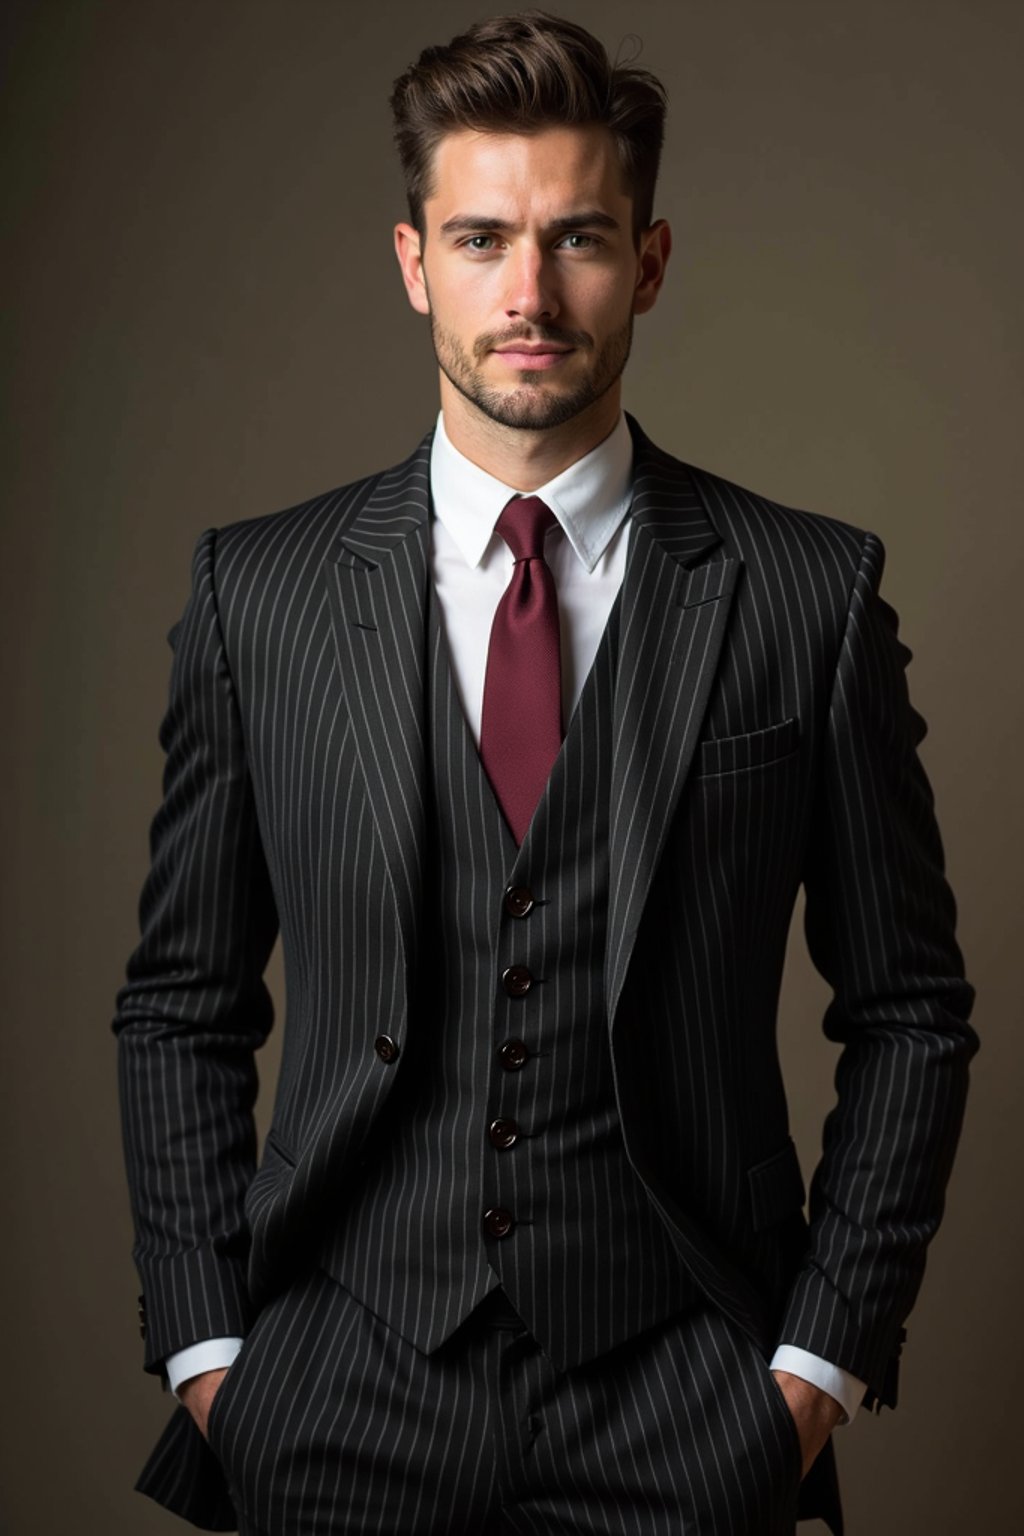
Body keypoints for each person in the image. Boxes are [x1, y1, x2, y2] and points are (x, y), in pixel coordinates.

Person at [114, 12, 977, 1535]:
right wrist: (213, 1361)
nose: (528, 293)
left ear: (645, 262)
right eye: (481, 238)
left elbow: (910, 1011)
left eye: (577, 237)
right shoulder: (264, 594)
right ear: (411, 263)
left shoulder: (804, 592)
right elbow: (183, 1001)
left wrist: (814, 1372)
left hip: (691, 1406)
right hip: (335, 1398)